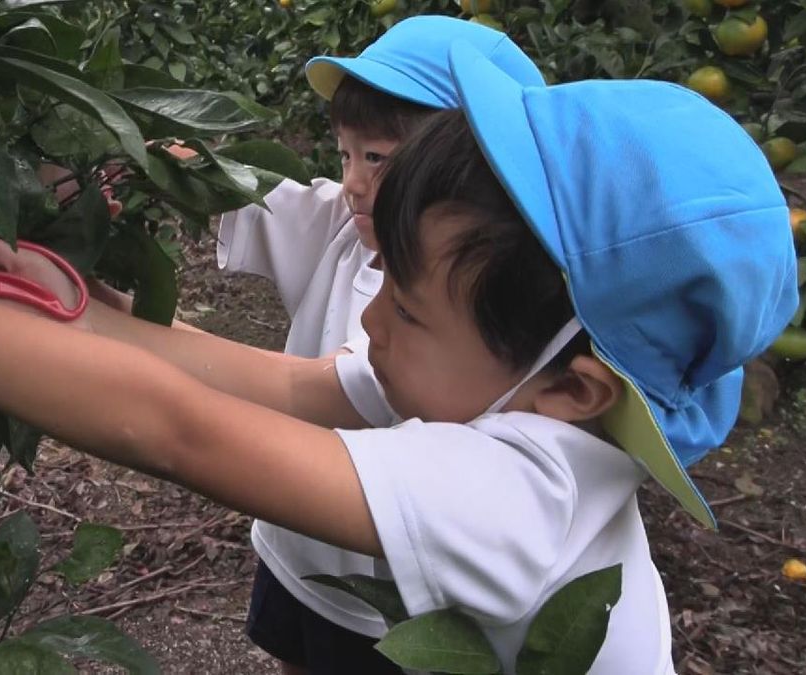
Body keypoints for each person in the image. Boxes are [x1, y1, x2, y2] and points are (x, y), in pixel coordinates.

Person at [0, 44, 796, 673]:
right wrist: (84, 319)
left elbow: (177, 430)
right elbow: (290, 385)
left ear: (577, 385)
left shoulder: (519, 493)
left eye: (403, 303)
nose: (372, 326)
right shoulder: (507, 394)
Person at [80, 16, 547, 671]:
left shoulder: (470, 319)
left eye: (378, 157)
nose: (353, 180)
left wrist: (95, 322)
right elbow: (234, 188)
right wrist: (129, 160)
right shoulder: (345, 221)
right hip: (298, 551)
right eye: (345, 152)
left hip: (402, 602)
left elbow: (320, 390)